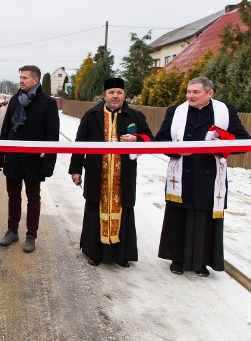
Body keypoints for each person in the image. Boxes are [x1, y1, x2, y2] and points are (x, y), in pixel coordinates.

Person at [155, 77, 250, 277]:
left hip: (210, 175)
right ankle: (177, 260)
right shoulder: (175, 112)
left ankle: (201, 262)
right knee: (179, 217)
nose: (190, 96)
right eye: (189, 92)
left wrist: (223, 145)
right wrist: (179, 151)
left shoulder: (226, 112)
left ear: (210, 93)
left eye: (196, 92)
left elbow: (243, 142)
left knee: (206, 219)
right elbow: (160, 141)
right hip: (182, 174)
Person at [68, 78, 153, 267]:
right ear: (104, 95)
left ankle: (121, 255)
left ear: (124, 95)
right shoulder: (91, 115)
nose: (115, 96)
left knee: (124, 211)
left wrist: (136, 140)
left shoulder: (135, 116)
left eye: (119, 93)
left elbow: (150, 138)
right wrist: (76, 169)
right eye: (111, 93)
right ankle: (94, 252)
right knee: (94, 211)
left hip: (123, 176)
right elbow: (79, 144)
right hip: (98, 174)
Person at [0, 65, 59, 253]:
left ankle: (31, 235)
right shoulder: (15, 100)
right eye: (20, 77)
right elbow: (6, 129)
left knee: (33, 198)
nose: (21, 80)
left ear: (36, 80)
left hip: (34, 160)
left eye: (25, 77)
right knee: (13, 195)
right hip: (14, 158)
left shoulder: (47, 103)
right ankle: (12, 231)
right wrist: (0, 153)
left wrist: (49, 162)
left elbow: (52, 135)